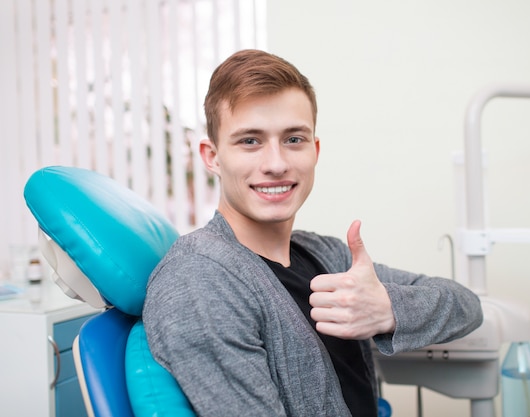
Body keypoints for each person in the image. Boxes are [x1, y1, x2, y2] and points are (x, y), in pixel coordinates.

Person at [143, 49, 483, 417]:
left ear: (315, 150)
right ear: (212, 156)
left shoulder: (327, 256)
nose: (276, 164)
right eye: (250, 141)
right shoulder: (201, 279)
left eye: (293, 139)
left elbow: (466, 305)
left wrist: (387, 310)